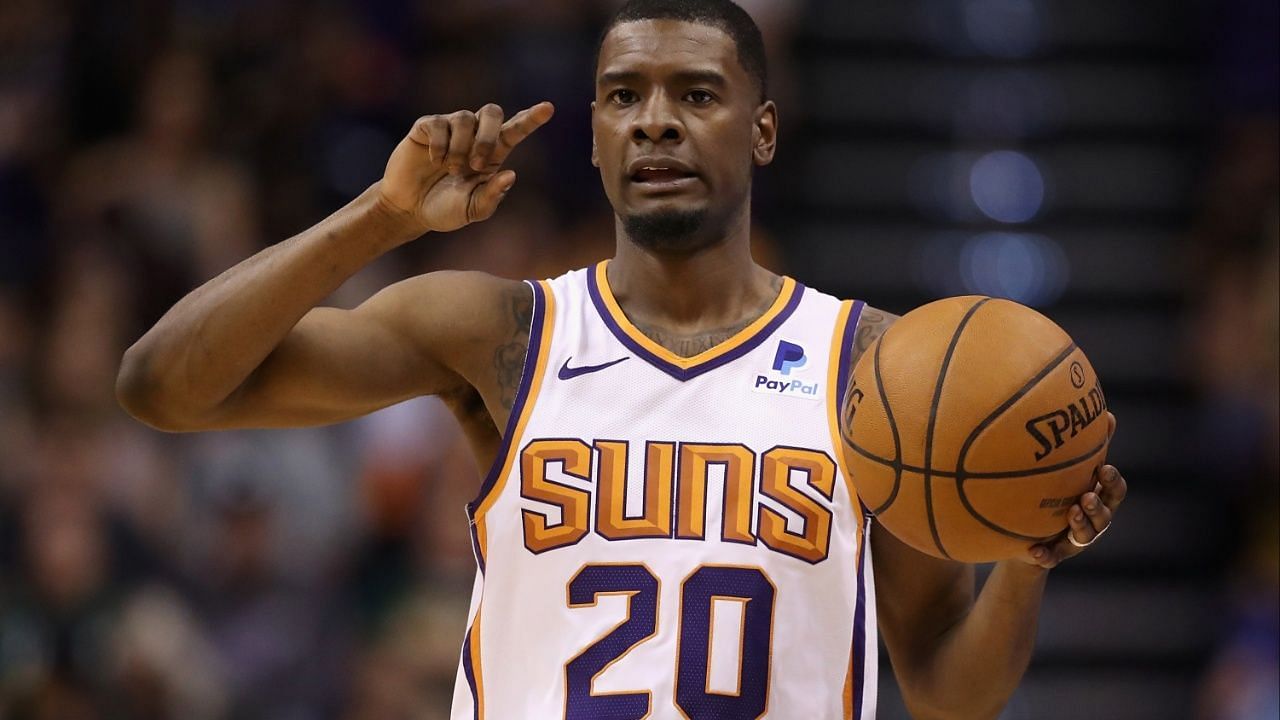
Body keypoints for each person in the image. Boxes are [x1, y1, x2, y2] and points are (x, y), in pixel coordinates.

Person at [116, 1, 1129, 717]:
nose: (655, 119)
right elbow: (163, 385)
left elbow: (950, 694)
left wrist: (1020, 553)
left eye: (696, 93)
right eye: (622, 96)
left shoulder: (870, 365)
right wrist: (379, 218)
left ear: (763, 130)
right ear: (596, 135)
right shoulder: (501, 334)